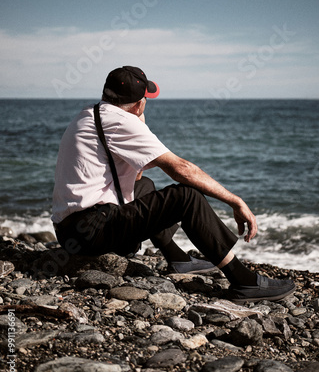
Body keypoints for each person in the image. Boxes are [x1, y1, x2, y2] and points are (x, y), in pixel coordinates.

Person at [52, 66, 295, 303]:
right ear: (138, 104)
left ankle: (178, 258)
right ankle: (244, 281)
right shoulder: (120, 123)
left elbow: (134, 179)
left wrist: (140, 124)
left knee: (145, 186)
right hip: (92, 232)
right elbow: (182, 170)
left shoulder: (90, 114)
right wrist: (236, 201)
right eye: (146, 98)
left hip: (73, 230)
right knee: (186, 196)